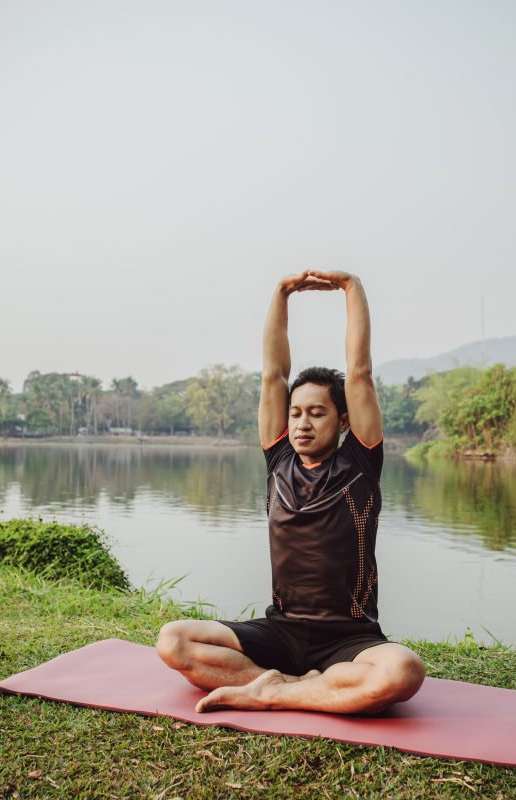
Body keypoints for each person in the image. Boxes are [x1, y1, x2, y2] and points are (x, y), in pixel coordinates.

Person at [156, 269, 425, 714]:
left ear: (342, 421)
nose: (302, 422)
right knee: (174, 641)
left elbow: (359, 372)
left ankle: (272, 692)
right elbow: (272, 375)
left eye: (317, 413)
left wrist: (351, 287)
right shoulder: (278, 460)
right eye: (296, 412)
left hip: (350, 636)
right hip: (280, 631)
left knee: (403, 672)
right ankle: (307, 688)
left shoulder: (360, 464)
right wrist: (281, 293)